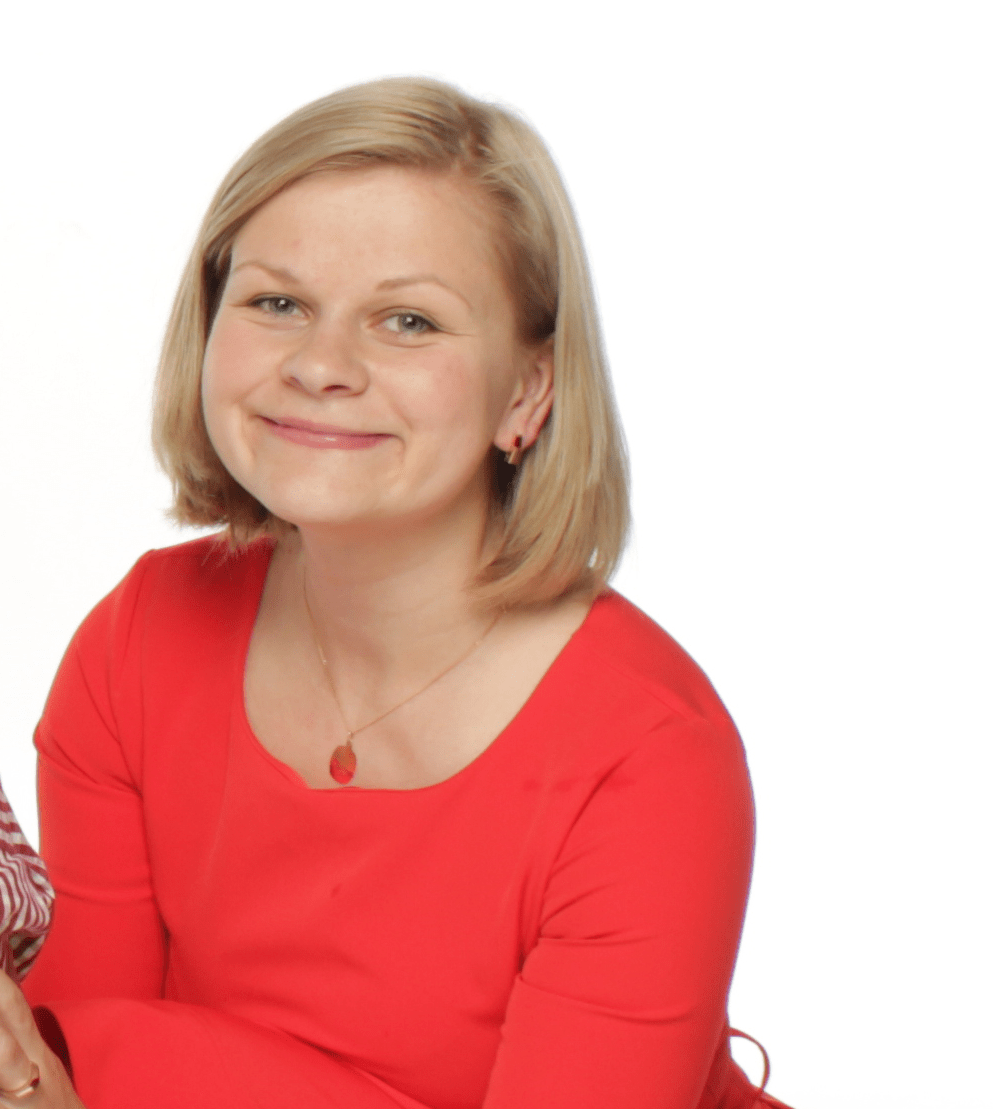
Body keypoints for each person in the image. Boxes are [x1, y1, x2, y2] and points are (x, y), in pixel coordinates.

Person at [0, 77, 793, 1109]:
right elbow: (67, 1069)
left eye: (409, 320)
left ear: (527, 392)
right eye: (277, 302)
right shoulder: (139, 642)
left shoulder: (647, 754)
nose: (321, 364)